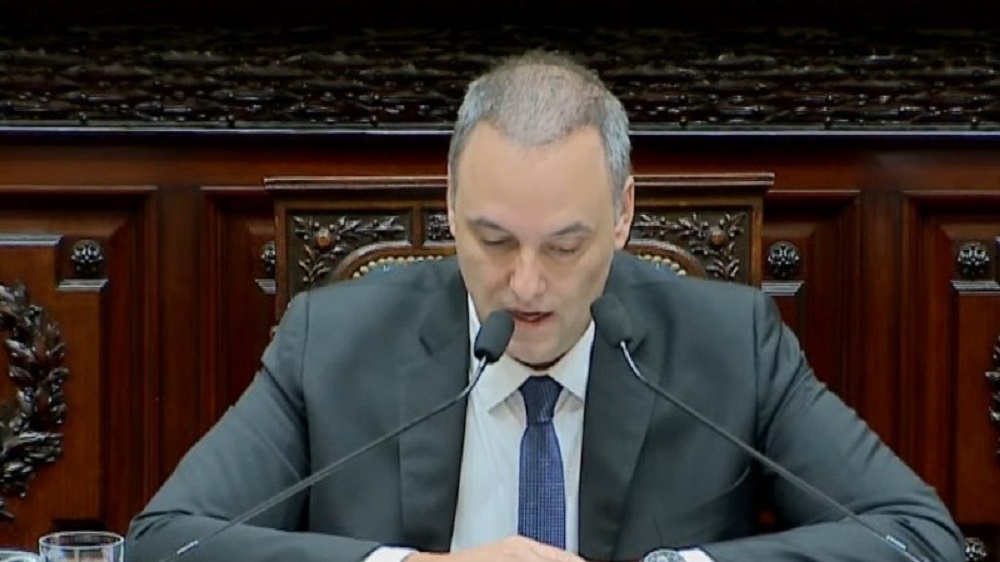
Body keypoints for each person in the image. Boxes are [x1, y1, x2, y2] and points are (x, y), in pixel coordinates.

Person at [125, 51, 965, 562]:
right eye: (493, 240)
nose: (525, 284)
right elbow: (167, 540)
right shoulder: (331, 341)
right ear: (450, 205)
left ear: (623, 216)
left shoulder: (731, 344)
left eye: (564, 246)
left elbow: (918, 537)